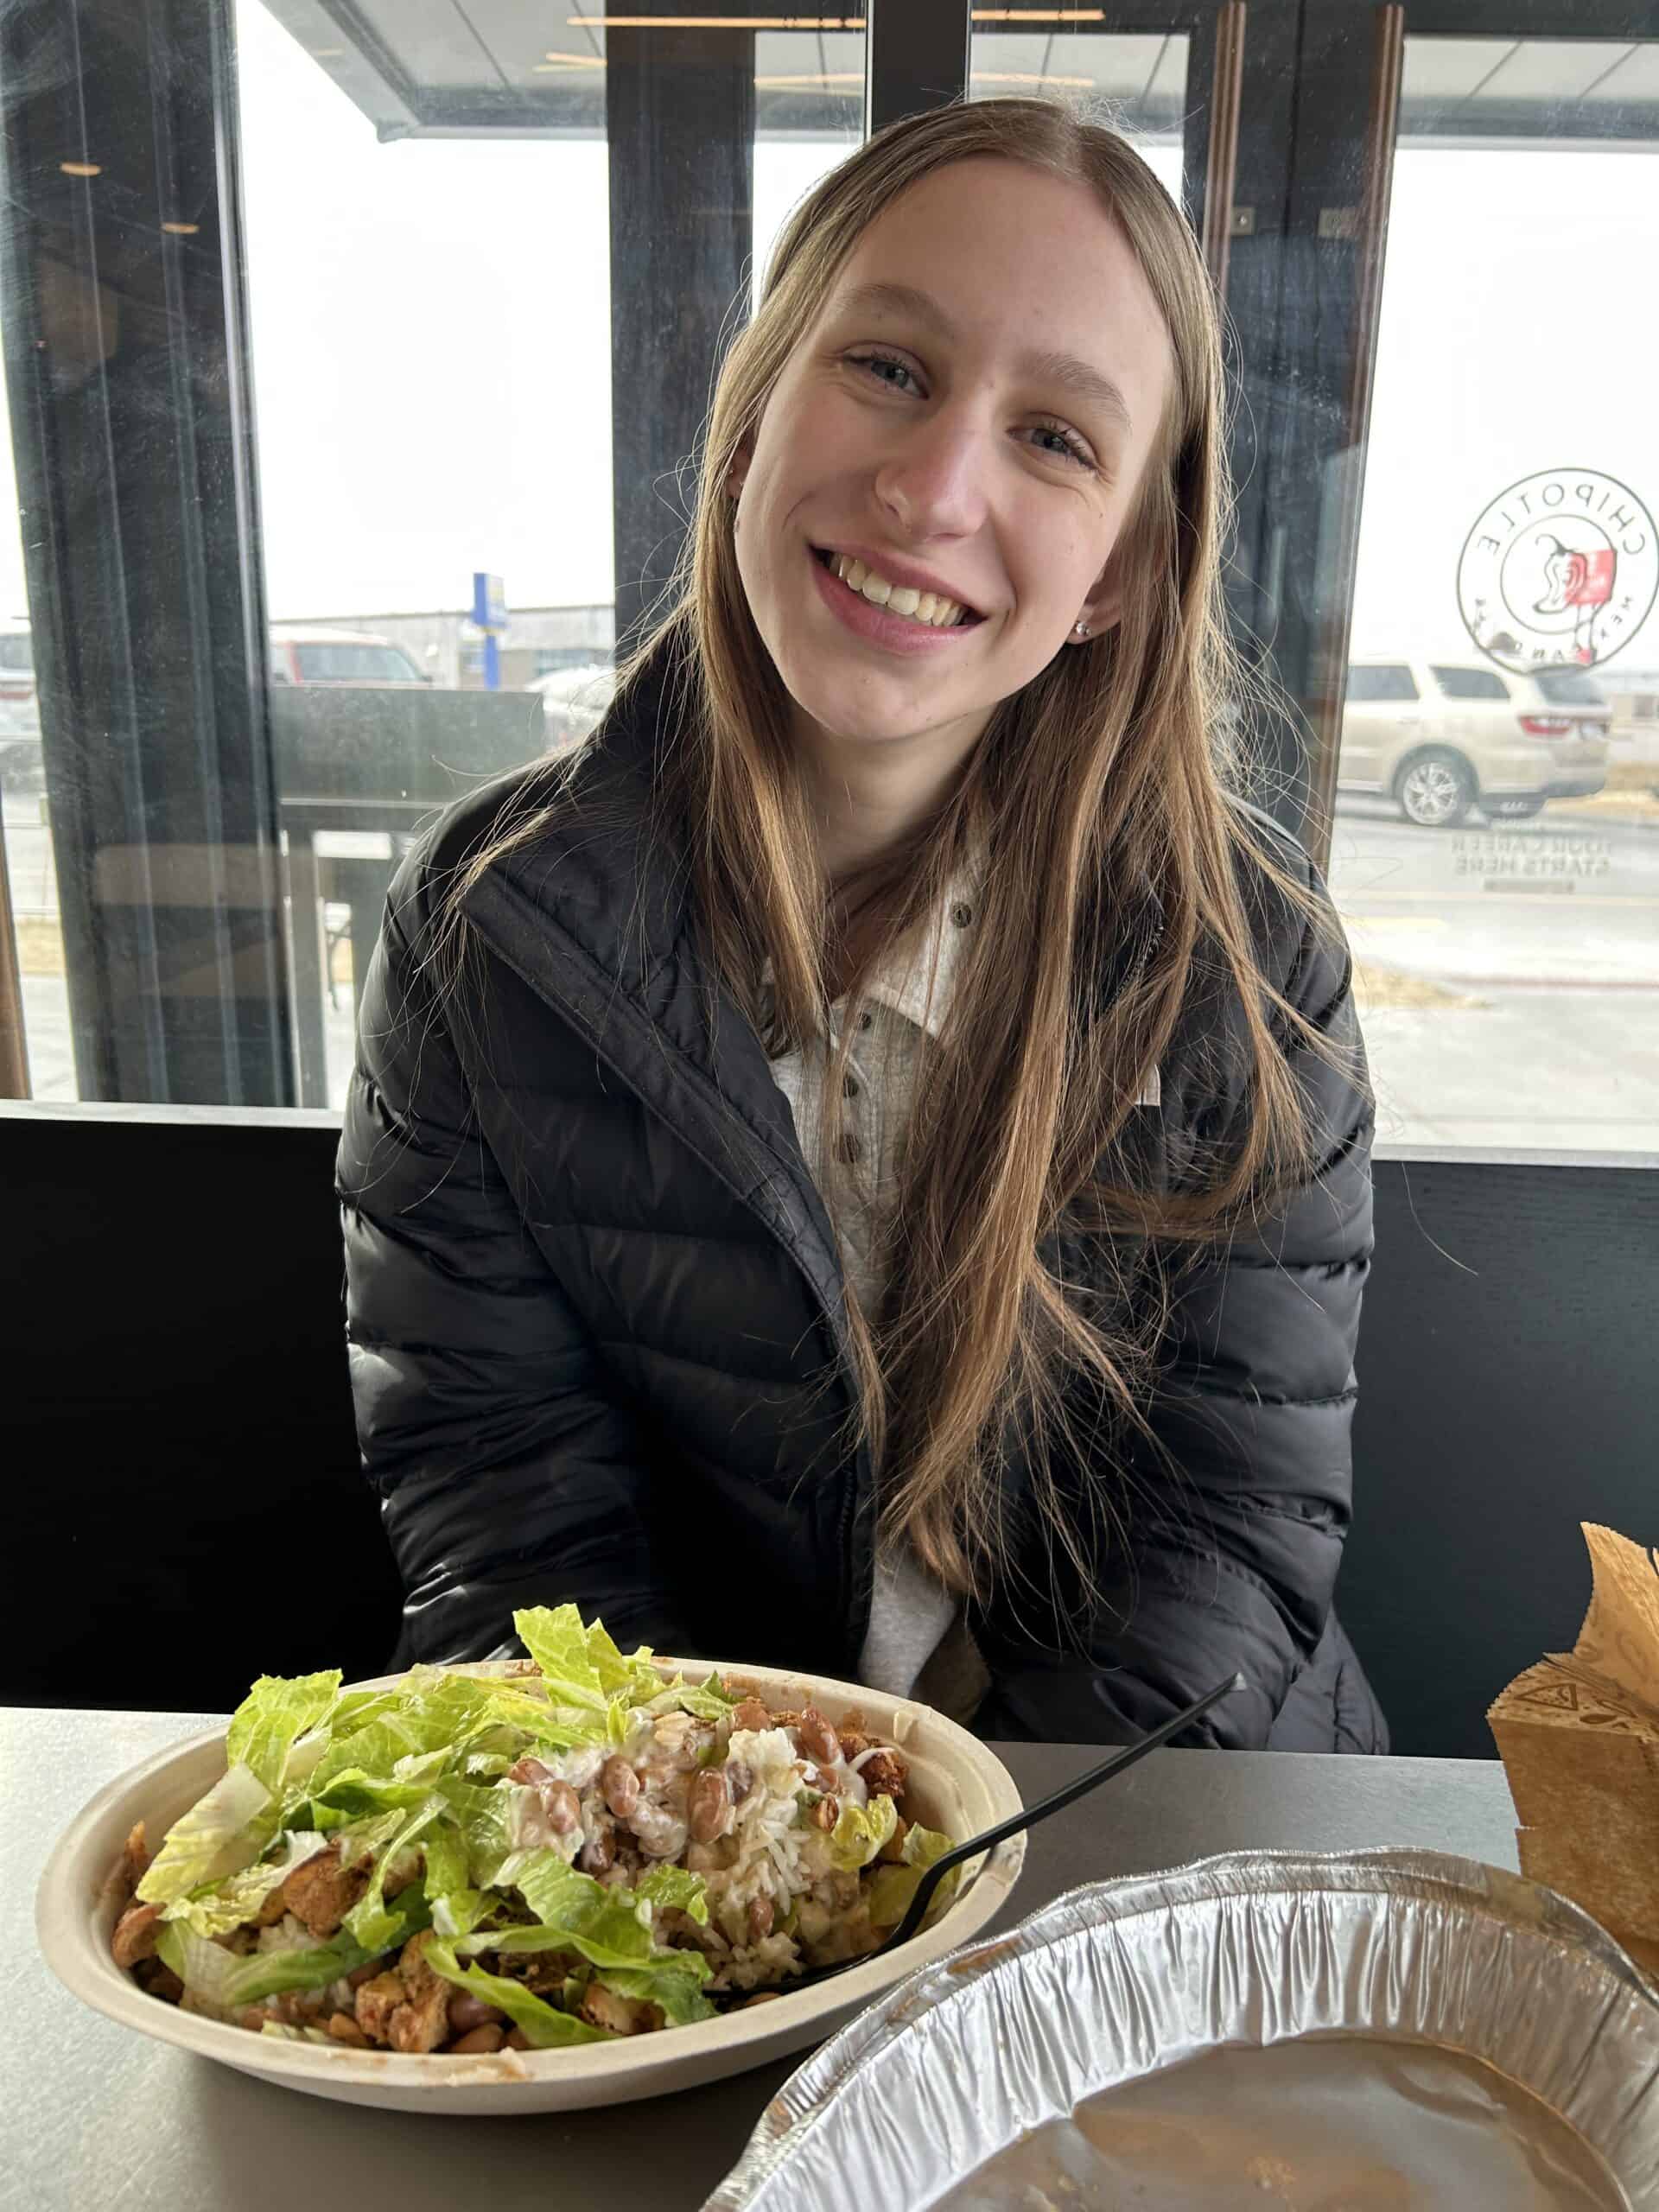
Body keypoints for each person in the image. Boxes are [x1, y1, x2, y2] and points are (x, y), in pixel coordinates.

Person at [337, 97, 1385, 1753]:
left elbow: (1219, 1565)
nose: (932, 488)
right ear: (754, 410)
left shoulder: (1252, 976)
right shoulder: (486, 930)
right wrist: (736, 1846)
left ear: (1119, 572)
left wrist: (964, 1873)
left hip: (1134, 1826)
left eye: (1056, 439)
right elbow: (507, 1511)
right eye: (889, 367)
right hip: (690, 1829)